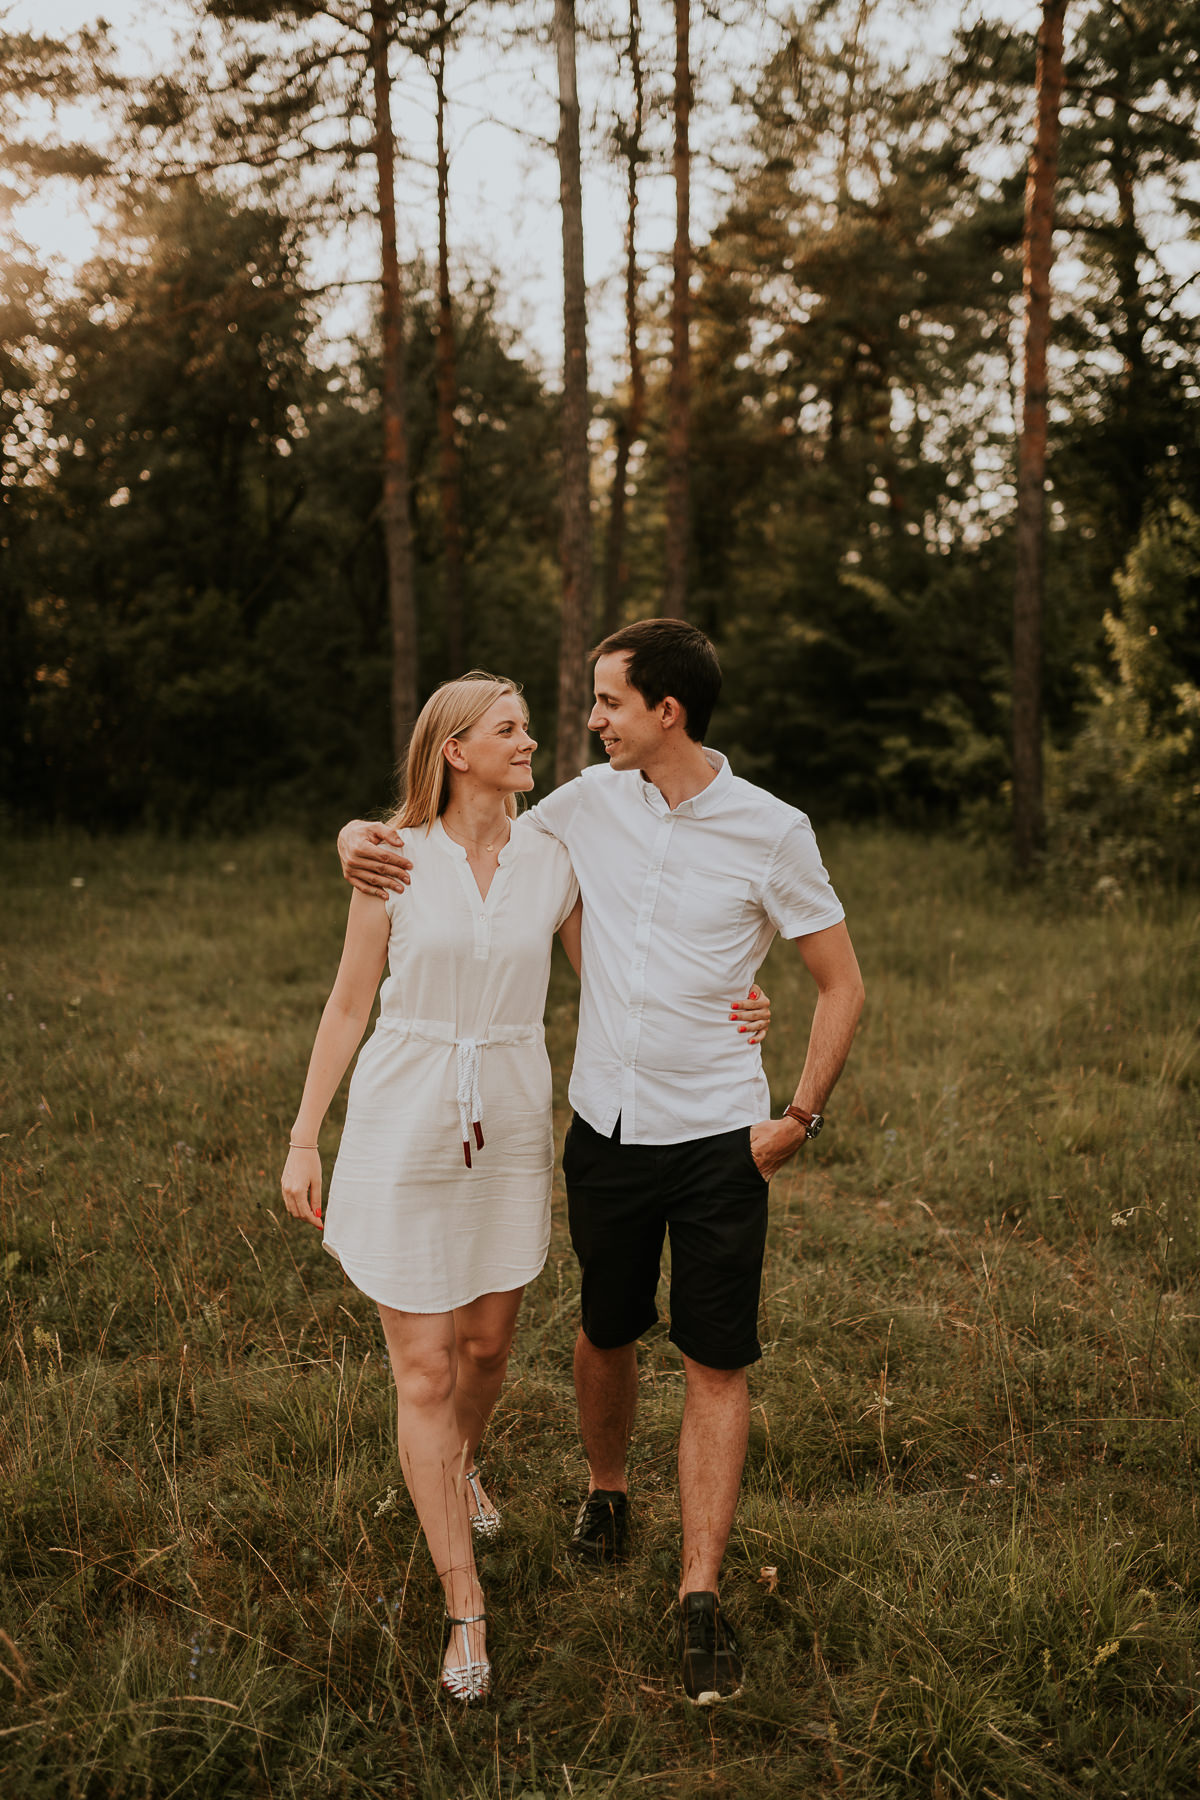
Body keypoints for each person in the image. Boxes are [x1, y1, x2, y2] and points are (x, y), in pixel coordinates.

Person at [338, 619, 863, 1707]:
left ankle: (700, 1593)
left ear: (667, 710)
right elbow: (455, 822)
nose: (589, 722)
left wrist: (799, 1116)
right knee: (605, 1326)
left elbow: (842, 982)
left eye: (609, 701)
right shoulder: (582, 804)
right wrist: (354, 837)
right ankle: (607, 1489)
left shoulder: (775, 830)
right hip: (607, 1129)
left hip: (722, 1135)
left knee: (716, 1357)